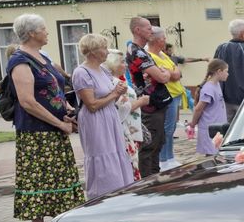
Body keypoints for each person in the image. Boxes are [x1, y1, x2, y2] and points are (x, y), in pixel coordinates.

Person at [8, 14, 84, 222]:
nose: (47, 31)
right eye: (43, 28)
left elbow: (54, 90)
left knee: (59, 177)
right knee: (38, 178)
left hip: (55, 128)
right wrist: (59, 123)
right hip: (36, 132)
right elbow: (27, 102)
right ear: (32, 33)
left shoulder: (41, 57)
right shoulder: (20, 61)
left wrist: (68, 110)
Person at [72, 34, 134, 200]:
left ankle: (119, 191)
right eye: (104, 48)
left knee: (116, 152)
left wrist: (119, 91)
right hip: (95, 120)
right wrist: (114, 94)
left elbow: (109, 94)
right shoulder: (82, 73)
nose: (107, 52)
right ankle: (101, 196)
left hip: (109, 115)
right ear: (93, 51)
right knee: (101, 154)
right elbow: (91, 104)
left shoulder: (103, 70)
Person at [127, 17, 172, 178]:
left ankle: (155, 176)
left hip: (155, 102)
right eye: (148, 28)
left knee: (158, 142)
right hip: (149, 104)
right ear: (137, 30)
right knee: (150, 145)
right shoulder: (137, 52)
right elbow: (162, 77)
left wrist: (162, 73)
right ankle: (148, 180)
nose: (151, 31)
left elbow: (159, 73)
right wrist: (166, 73)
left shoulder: (141, 50)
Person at [105, 49, 147, 181]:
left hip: (129, 129)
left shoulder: (117, 80)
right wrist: (141, 102)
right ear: (113, 64)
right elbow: (122, 107)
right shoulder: (115, 83)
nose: (126, 65)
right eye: (122, 62)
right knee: (130, 165)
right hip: (125, 130)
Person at [146, 27, 185, 171]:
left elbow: (177, 71)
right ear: (156, 40)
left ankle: (170, 157)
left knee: (171, 128)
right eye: (163, 38)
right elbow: (171, 75)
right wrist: (173, 73)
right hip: (167, 95)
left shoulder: (162, 54)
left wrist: (173, 72)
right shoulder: (151, 56)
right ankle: (164, 160)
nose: (165, 40)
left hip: (175, 94)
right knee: (166, 129)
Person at [213, 19, 244, 121]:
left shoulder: (221, 48)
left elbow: (213, 72)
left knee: (227, 129)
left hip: (224, 101)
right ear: (243, 33)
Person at [188, 59, 229, 156]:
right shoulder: (209, 88)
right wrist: (193, 124)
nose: (228, 74)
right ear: (219, 71)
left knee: (217, 154)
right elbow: (198, 109)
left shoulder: (216, 84)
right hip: (209, 129)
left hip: (217, 127)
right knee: (211, 155)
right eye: (226, 71)